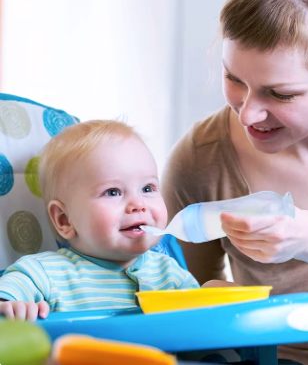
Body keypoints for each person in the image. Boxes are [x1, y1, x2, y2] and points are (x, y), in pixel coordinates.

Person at [161, 0, 308, 365]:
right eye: (234, 80)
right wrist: (210, 302)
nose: (246, 116)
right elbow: (186, 314)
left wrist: (307, 235)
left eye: (279, 94)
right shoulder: (199, 159)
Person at [0, 120, 200, 321]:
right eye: (113, 192)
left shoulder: (170, 274)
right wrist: (13, 307)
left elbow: (200, 324)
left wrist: (215, 295)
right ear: (65, 220)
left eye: (147, 188)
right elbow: (7, 297)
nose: (138, 204)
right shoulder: (44, 273)